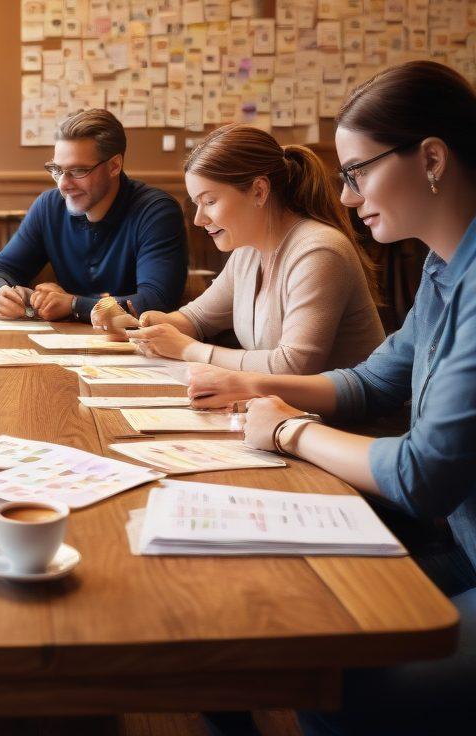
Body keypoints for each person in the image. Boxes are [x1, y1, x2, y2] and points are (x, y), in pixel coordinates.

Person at [187, 61, 476, 734]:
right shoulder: (442, 268)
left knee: (333, 677)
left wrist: (289, 433)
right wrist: (254, 388)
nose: (345, 197)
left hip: (452, 540)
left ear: (431, 158)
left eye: (358, 172)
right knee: (248, 608)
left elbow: (423, 474)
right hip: (460, 546)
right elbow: (372, 380)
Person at [123, 124, 384, 373]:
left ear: (259, 191)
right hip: (284, 412)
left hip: (345, 420)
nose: (198, 219)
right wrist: (141, 324)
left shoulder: (319, 251)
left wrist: (190, 350)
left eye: (210, 201)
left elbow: (293, 367)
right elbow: (196, 319)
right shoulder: (248, 252)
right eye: (196, 204)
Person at [0, 108, 187, 321]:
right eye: (57, 170)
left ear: (114, 165)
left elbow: (157, 300)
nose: (63, 184)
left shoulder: (156, 211)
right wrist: (1, 292)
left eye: (78, 171)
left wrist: (75, 305)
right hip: (66, 343)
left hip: (139, 344)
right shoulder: (49, 206)